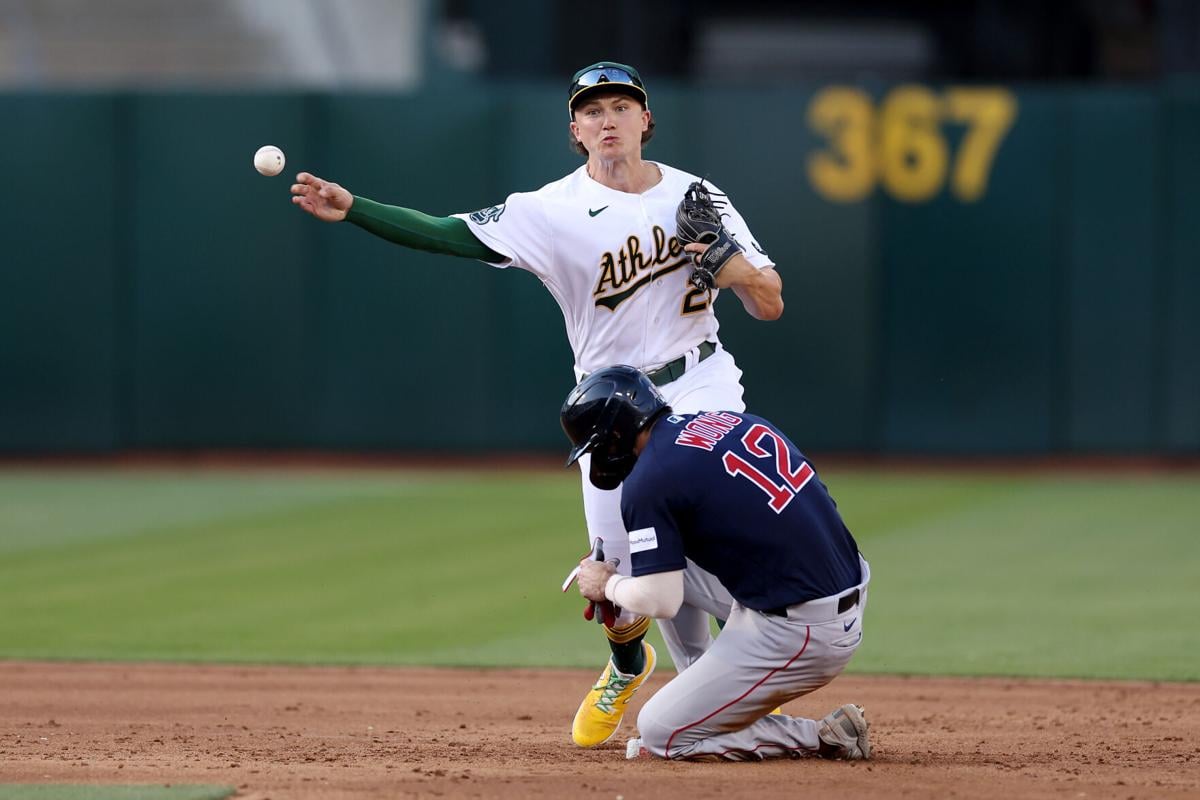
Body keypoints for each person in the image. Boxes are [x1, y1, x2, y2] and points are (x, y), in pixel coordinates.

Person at [290, 61, 783, 748]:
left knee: (712, 532)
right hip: (615, 407)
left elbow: (769, 301)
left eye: (620, 106)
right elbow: (446, 232)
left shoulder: (698, 197)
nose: (607, 119)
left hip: (702, 382)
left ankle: (729, 681)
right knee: (613, 567)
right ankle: (626, 662)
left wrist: (732, 263)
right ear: (576, 131)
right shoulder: (548, 210)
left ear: (646, 119)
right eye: (592, 111)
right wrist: (357, 210)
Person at [563, 365, 871, 761]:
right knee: (658, 562)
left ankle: (821, 736)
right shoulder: (726, 423)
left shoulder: (649, 480)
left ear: (616, 435)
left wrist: (606, 583)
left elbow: (661, 601)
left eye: (596, 446)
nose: (597, 459)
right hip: (833, 587)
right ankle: (703, 690)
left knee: (660, 733)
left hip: (804, 631)